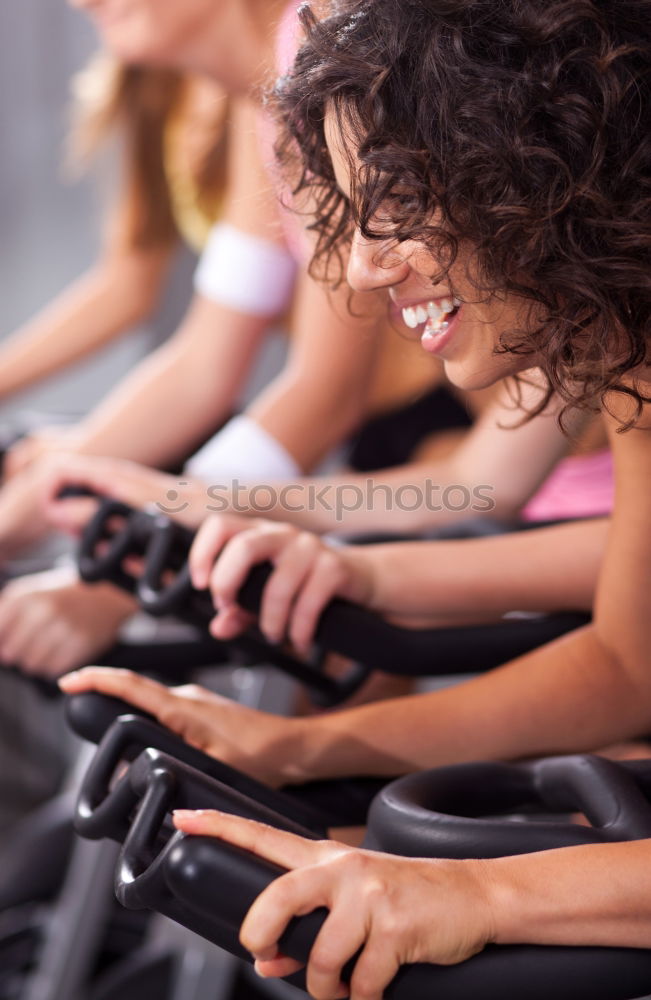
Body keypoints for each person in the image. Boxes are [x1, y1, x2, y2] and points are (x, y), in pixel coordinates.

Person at [58, 0, 651, 993]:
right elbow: (627, 660)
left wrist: (483, 896)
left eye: (399, 201)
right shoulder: (624, 344)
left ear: (532, 150)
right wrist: (295, 745)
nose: (367, 272)